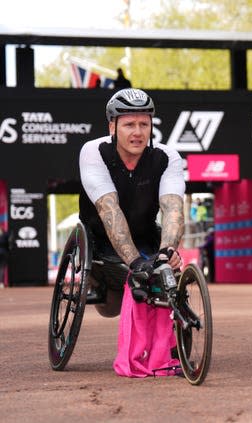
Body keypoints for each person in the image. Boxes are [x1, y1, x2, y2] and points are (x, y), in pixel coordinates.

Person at [78, 87, 185, 377]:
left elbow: (173, 208)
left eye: (144, 124)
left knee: (169, 272)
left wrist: (167, 252)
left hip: (146, 237)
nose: (137, 132)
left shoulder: (167, 158)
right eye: (129, 124)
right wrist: (136, 264)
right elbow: (109, 210)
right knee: (113, 304)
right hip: (101, 243)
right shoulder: (94, 152)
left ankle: (170, 347)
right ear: (112, 126)